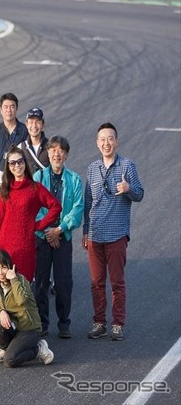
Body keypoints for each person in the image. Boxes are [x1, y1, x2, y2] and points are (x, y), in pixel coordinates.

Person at [83, 123, 144, 341]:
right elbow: (87, 200)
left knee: (117, 282)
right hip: (95, 235)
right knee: (96, 282)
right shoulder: (92, 168)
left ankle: (117, 324)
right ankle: (99, 322)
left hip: (117, 233)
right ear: (97, 143)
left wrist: (128, 189)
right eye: (102, 139)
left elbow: (140, 194)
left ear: (116, 141)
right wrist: (85, 232)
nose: (106, 143)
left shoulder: (127, 166)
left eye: (110, 138)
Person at [33, 136, 83, 339]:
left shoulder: (74, 179)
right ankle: (42, 322)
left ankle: (64, 322)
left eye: (61, 150)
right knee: (41, 283)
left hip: (63, 237)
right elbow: (33, 207)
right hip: (42, 237)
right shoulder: (38, 177)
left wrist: (59, 229)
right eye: (53, 149)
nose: (57, 153)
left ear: (66, 154)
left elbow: (78, 209)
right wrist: (48, 231)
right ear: (48, 152)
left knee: (63, 283)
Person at [0, 146, 62, 282]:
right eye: (12, 163)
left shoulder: (35, 188)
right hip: (5, 247)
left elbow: (56, 207)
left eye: (20, 161)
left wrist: (39, 225)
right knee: (6, 289)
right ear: (8, 166)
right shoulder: (5, 189)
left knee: (23, 290)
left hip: (25, 248)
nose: (17, 165)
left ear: (24, 163)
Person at [0, 250, 54, 367]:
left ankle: (38, 349)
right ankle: (5, 349)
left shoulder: (21, 280)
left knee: (9, 361)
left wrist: (13, 279)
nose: (0, 273)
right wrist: (1, 312)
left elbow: (21, 300)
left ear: (10, 266)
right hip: (14, 327)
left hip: (29, 329)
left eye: (3, 267)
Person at [0, 93, 28, 171]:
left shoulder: (25, 130)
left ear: (16, 109)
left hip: (19, 177)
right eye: (6, 107)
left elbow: (29, 156)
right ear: (0, 110)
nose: (9, 110)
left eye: (12, 107)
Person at [19, 107, 49, 175]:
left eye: (38, 122)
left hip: (46, 186)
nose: (34, 126)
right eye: (31, 122)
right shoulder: (20, 148)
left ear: (43, 125)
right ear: (26, 124)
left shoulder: (51, 147)